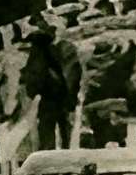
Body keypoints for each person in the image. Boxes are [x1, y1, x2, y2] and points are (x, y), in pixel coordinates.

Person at [18, 22, 85, 155]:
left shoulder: (38, 56)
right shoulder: (54, 52)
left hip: (49, 99)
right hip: (61, 97)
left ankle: (50, 155)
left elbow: (35, 79)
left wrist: (33, 91)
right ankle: (64, 155)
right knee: (63, 130)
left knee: (48, 131)